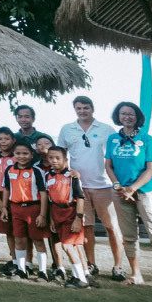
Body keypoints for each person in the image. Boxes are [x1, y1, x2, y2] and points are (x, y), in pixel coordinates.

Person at [104, 101, 152, 293]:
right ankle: (136, 275)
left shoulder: (147, 139)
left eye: (131, 114)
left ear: (137, 117)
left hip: (146, 192)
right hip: (120, 192)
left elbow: (151, 169)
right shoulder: (112, 139)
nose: (127, 117)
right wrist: (117, 185)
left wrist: (133, 188)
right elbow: (108, 165)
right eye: (123, 113)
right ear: (118, 116)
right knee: (128, 236)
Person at [57, 95, 126, 280]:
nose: (82, 111)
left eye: (86, 107)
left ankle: (118, 266)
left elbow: (117, 155)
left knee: (112, 227)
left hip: (105, 186)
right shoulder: (67, 129)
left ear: (92, 108)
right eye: (78, 108)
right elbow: (60, 155)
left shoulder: (106, 129)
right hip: (80, 187)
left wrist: (120, 182)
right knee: (86, 227)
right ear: (75, 110)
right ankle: (91, 263)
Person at [44, 146, 94, 289]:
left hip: (71, 213)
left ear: (65, 160)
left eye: (57, 158)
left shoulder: (72, 176)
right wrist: (52, 219)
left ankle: (81, 279)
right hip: (57, 214)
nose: (54, 161)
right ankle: (79, 276)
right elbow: (50, 199)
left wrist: (78, 218)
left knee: (68, 246)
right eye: (51, 158)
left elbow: (80, 198)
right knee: (69, 246)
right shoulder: (48, 176)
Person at [2, 142, 51, 280]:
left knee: (38, 240)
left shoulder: (36, 171)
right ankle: (21, 270)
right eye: (18, 153)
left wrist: (42, 214)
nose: (21, 156)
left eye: (25, 153)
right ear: (14, 154)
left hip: (33, 209)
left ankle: (42, 272)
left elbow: (43, 193)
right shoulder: (9, 170)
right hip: (16, 209)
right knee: (19, 240)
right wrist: (4, 207)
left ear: (31, 155)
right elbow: (6, 189)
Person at [0, 126, 19, 276]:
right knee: (8, 231)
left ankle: (24, 261)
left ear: (13, 140)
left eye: (6, 139)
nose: (3, 141)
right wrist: (0, 203)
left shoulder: (17, 157)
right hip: (0, 196)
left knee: (19, 231)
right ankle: (14, 260)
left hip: (15, 196)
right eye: (0, 139)